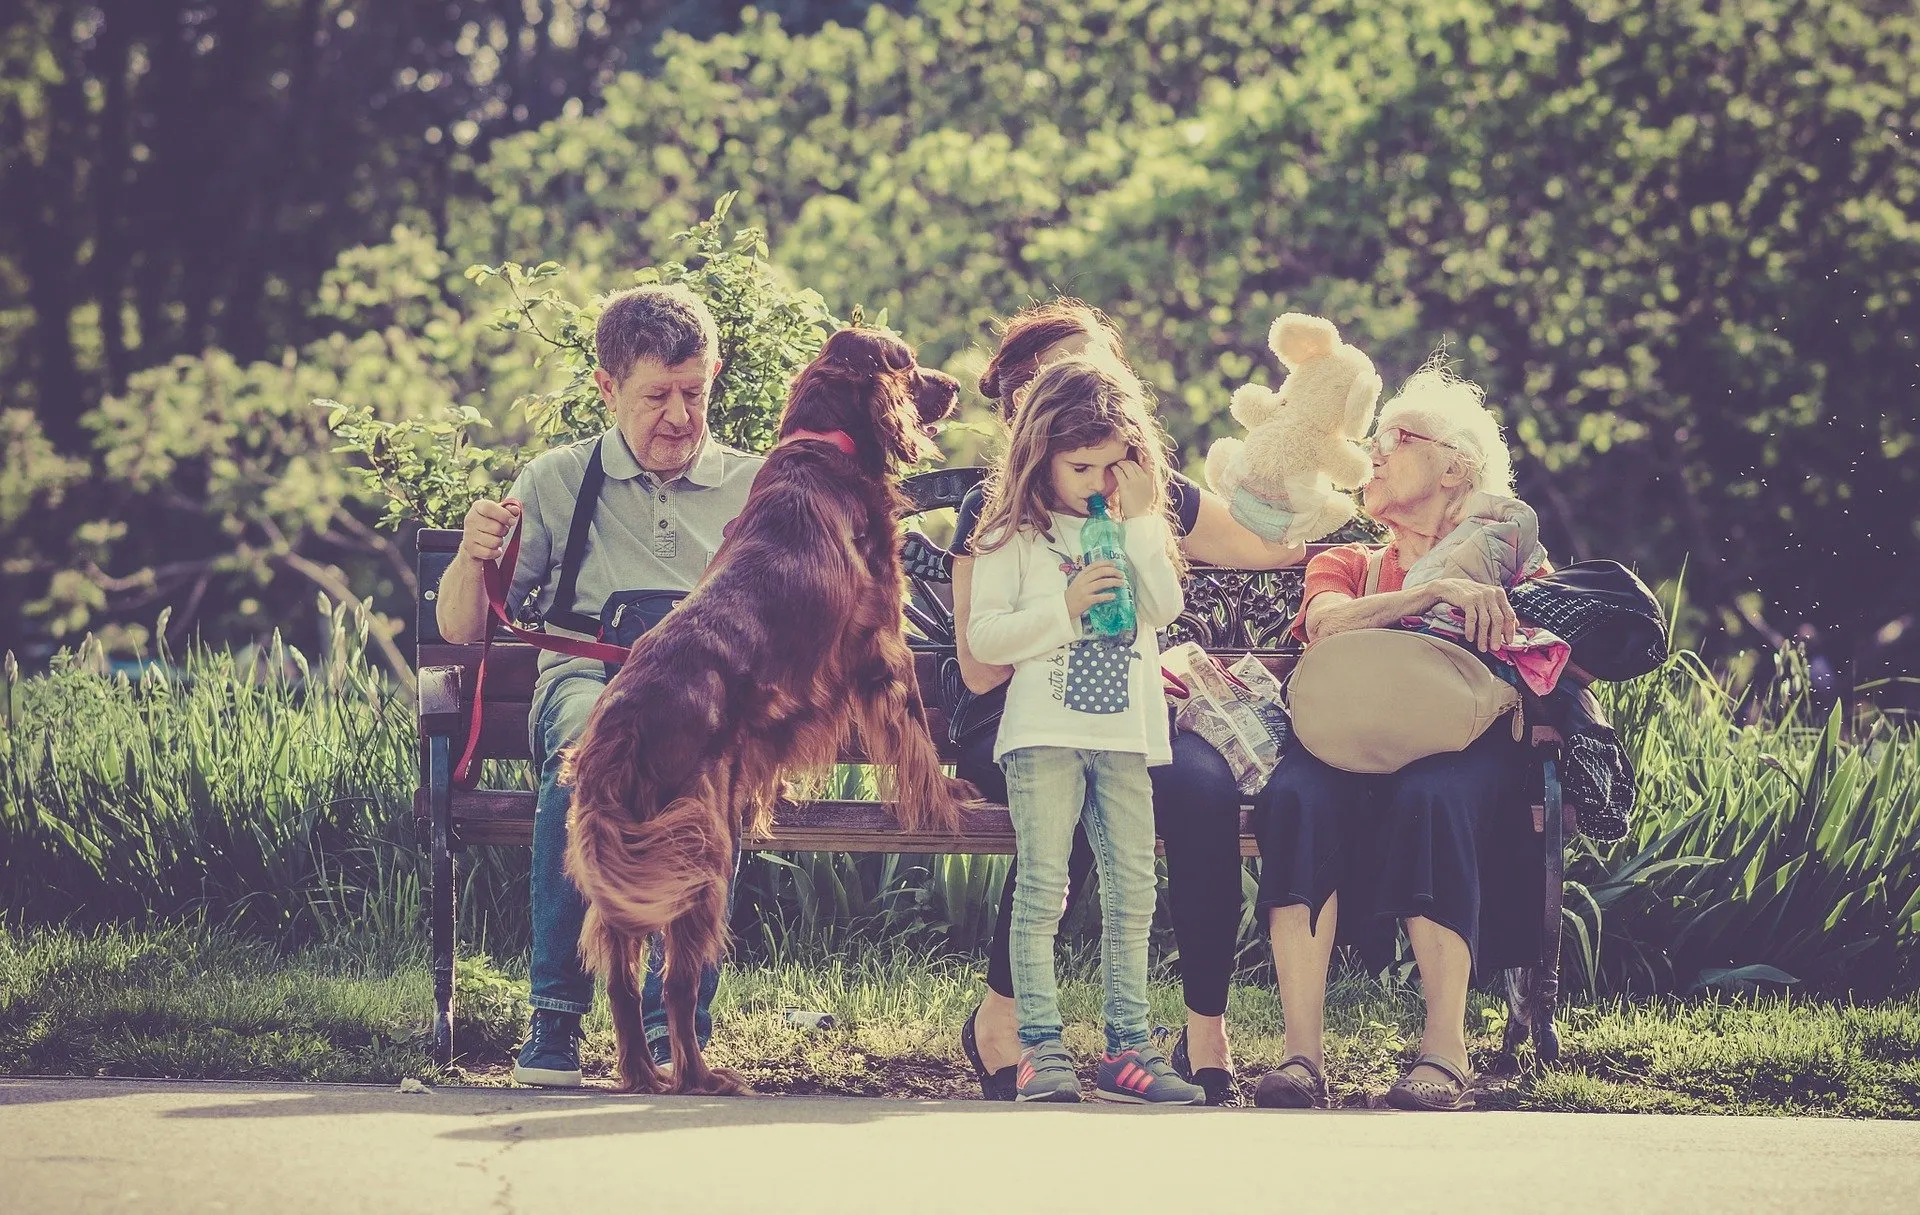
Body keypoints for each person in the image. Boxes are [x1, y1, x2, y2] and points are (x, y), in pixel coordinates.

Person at [953, 300, 1305, 1105]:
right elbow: (985, 658)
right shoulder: (1005, 517)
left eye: (1106, 375)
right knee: (1057, 850)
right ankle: (1024, 1030)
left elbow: (1207, 578)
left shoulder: (1135, 496)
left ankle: (1162, 1036)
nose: (1102, 481)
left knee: (1168, 837)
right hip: (1030, 720)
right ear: (1030, 411)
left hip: (1123, 721)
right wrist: (1067, 607)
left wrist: (1328, 512)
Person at [435, 285, 763, 1087]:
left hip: (701, 697)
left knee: (711, 772)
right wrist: (474, 556)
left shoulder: (752, 483)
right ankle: (555, 1020)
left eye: (695, 391)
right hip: (591, 677)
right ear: (607, 388)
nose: (680, 417)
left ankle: (672, 1022)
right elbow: (459, 627)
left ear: (714, 373)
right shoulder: (555, 479)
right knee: (587, 753)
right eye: (657, 396)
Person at [1252, 366, 1546, 1112]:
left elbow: (1555, 650)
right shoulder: (1349, 560)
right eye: (1375, 440)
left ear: (1457, 466)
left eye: (1397, 439)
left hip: (1461, 744)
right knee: (1294, 794)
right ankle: (1301, 1057)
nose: (1374, 454)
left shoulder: (1510, 556)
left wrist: (1500, 606)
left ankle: (1444, 1052)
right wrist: (1435, 592)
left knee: (1433, 795)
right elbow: (1322, 624)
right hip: (1347, 735)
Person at [967, 355, 1204, 1104]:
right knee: (1045, 886)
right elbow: (987, 639)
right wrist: (1064, 608)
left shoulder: (1136, 527)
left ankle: (1128, 1047)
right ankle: (1039, 1045)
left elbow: (1162, 608)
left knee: (1134, 888)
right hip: (1043, 735)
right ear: (1041, 455)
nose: (1098, 481)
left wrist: (1137, 523)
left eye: (1113, 464)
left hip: (1128, 737)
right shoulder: (1013, 534)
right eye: (1081, 466)